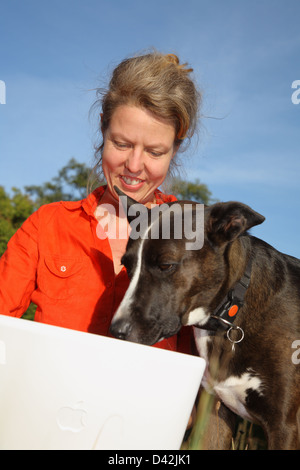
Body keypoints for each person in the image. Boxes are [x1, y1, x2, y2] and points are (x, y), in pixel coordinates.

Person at [0, 51, 201, 354]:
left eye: (154, 152)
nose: (134, 165)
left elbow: (211, 364)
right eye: (121, 144)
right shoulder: (46, 225)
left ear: (176, 146)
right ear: (103, 127)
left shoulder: (195, 234)